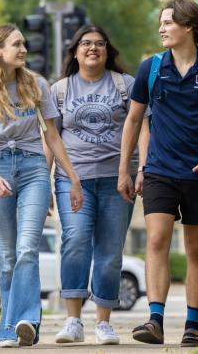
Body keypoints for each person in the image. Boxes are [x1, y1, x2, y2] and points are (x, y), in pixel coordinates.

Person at [118, 0, 198, 348]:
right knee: (157, 240)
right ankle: (155, 320)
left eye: (168, 23)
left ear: (189, 26)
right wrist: (127, 170)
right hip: (159, 170)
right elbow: (133, 120)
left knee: (195, 248)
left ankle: (192, 325)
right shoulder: (151, 68)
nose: (161, 28)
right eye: (160, 23)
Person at [0, 24, 84, 348]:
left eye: (24, 44)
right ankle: (9, 328)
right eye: (17, 44)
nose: (24, 49)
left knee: (28, 246)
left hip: (33, 170)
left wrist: (72, 178)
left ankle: (25, 320)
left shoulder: (37, 84)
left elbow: (52, 136)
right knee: (8, 257)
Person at [46, 25, 150, 345]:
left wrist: (142, 168)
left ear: (108, 51)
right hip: (72, 180)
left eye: (99, 44)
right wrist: (44, 182)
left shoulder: (126, 85)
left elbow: (143, 128)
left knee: (110, 252)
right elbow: (51, 138)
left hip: (118, 181)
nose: (93, 48)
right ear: (75, 51)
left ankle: (103, 322)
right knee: (75, 241)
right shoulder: (60, 89)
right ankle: (73, 320)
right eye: (86, 44)